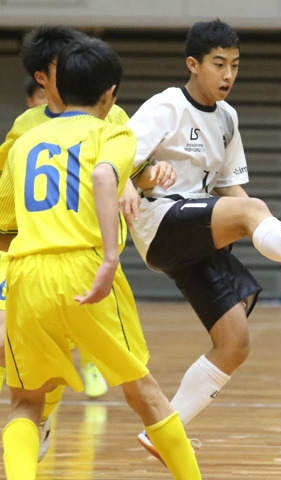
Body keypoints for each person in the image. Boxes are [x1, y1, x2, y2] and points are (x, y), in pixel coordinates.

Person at [126, 19, 281, 461]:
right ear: (193, 64)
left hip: (197, 229)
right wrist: (142, 174)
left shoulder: (228, 118)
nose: (228, 75)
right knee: (250, 210)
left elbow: (232, 190)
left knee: (235, 342)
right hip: (159, 222)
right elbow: (116, 159)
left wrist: (261, 222)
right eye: (218, 64)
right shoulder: (165, 107)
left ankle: (164, 431)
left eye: (235, 65)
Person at [0, 36, 201, 480]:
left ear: (57, 86)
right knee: (143, 391)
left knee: (25, 404)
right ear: (110, 94)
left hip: (26, 272)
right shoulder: (113, 129)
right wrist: (110, 258)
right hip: (86, 266)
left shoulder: (22, 142)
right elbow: (105, 175)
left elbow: (5, 227)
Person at [0, 25, 133, 462]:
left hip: (80, 254)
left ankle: (35, 422)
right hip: (41, 252)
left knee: (37, 371)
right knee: (139, 387)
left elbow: (136, 167)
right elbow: (6, 203)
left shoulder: (111, 116)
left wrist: (137, 180)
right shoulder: (27, 126)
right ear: (43, 77)